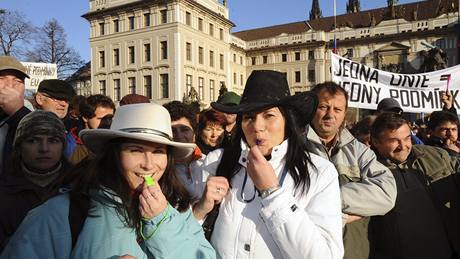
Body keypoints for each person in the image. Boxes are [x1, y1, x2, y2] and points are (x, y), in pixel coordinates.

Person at [1, 103, 216, 258]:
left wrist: (162, 224)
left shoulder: (177, 207)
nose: (149, 164)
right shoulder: (63, 213)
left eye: (159, 152)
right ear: (114, 154)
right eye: (135, 150)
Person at [196, 70, 343, 258]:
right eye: (249, 117)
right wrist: (200, 210)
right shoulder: (216, 162)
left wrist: (273, 193)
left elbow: (326, 255)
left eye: (269, 115)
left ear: (287, 121)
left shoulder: (319, 173)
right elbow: (190, 239)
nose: (257, 126)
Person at [306, 82, 397, 259]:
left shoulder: (359, 151)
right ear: (311, 109)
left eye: (337, 110)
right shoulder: (292, 148)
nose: (330, 115)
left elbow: (387, 193)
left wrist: (329, 201)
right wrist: (353, 208)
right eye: (323, 107)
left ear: (344, 114)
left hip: (354, 252)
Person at [369, 112, 460, 259]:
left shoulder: (437, 156)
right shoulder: (367, 172)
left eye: (407, 138)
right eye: (394, 140)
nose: (403, 146)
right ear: (376, 141)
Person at [0, 110, 72, 251]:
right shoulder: (4, 190)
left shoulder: (80, 186)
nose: (44, 149)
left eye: (53, 140)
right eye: (33, 140)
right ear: (19, 146)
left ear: (62, 146)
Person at [164, 101, 207, 201]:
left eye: (184, 130)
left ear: (194, 134)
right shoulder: (159, 168)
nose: (179, 136)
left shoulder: (209, 162)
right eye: (172, 131)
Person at [0, 56, 32, 173]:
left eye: (18, 81)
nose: (10, 85)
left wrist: (19, 113)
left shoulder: (32, 117)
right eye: (2, 78)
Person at [68, 94, 115, 164]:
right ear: (85, 118)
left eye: (110, 118)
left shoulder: (115, 141)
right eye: (100, 118)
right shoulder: (69, 143)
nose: (107, 123)